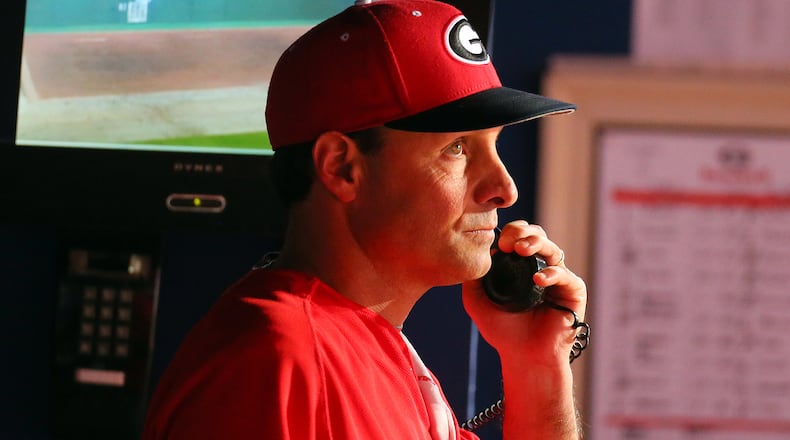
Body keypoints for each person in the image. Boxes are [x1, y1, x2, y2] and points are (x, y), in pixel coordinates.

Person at [142, 0, 588, 439]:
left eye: (494, 146)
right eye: (457, 148)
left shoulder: (366, 346)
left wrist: (538, 366)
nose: (505, 188)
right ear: (341, 167)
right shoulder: (278, 360)